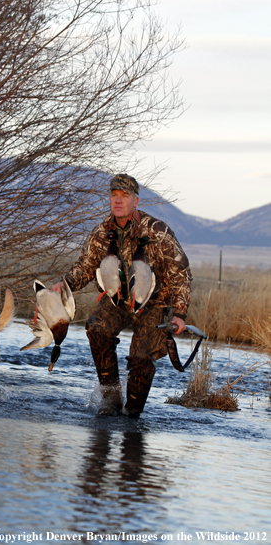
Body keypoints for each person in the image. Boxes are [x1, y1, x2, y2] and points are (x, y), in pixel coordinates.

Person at [53, 174, 192, 416]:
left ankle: (132, 414)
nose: (118, 201)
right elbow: (86, 266)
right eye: (114, 196)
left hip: (155, 304)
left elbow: (180, 273)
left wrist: (179, 314)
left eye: (124, 196)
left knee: (140, 356)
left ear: (135, 201)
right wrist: (64, 284)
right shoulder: (102, 232)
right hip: (118, 300)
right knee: (96, 328)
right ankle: (111, 399)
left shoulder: (157, 232)